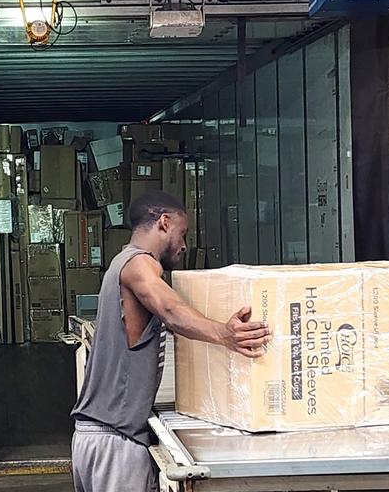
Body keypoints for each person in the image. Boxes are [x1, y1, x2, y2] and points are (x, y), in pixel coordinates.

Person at [71, 191, 271, 492]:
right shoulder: (139, 263)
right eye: (183, 233)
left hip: (97, 438)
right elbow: (171, 310)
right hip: (115, 443)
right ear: (164, 222)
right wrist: (224, 334)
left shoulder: (120, 264)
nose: (184, 244)